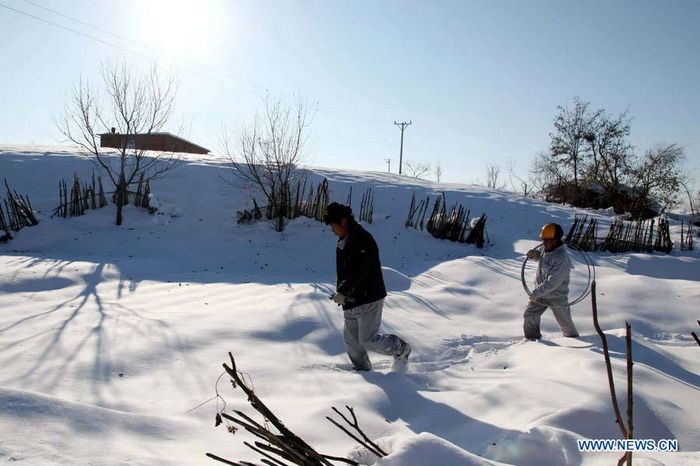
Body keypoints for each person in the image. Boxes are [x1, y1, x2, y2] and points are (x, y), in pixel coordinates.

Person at [323, 202, 411, 371]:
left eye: (333, 225)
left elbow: (359, 271)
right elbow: (345, 273)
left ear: (343, 221)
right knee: (351, 341)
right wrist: (342, 293)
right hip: (351, 300)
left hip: (369, 297)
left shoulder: (362, 239)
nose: (332, 230)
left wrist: (343, 291)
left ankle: (401, 348)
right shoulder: (343, 240)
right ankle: (363, 373)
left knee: (368, 340)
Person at [523, 222, 579, 340]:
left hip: (556, 296)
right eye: (543, 239)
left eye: (547, 240)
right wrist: (534, 255)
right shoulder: (547, 249)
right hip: (541, 294)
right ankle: (532, 340)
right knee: (530, 315)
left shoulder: (562, 258)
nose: (544, 243)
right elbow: (543, 258)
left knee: (566, 325)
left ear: (556, 240)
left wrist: (536, 293)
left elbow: (553, 282)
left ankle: (574, 341)